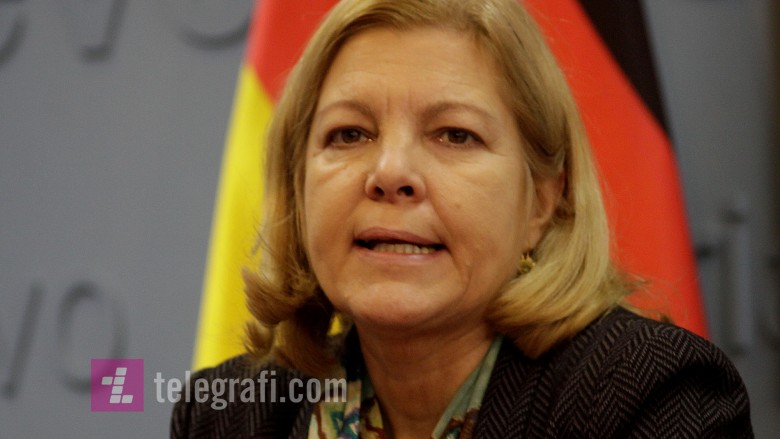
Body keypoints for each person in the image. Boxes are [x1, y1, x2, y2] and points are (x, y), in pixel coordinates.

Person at [171, 0, 753, 437]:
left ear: (542, 202)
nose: (390, 172)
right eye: (349, 134)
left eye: (454, 135)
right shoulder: (227, 415)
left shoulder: (650, 395)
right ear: (299, 190)